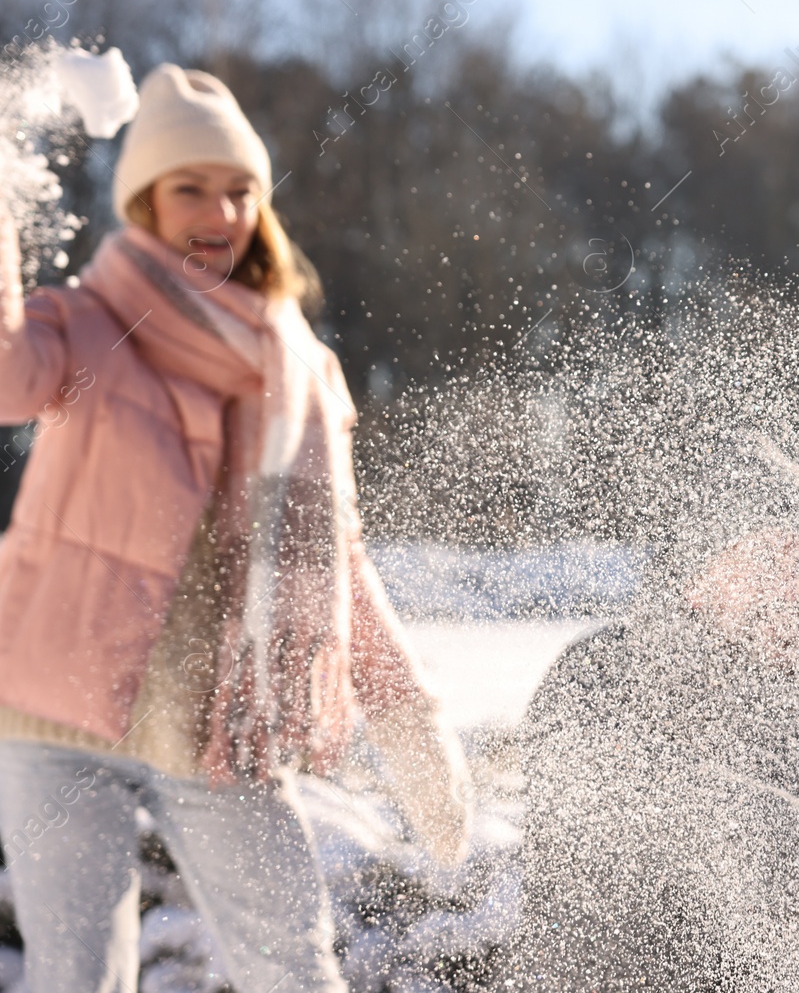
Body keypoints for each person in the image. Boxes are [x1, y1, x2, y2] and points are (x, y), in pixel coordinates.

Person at [0, 63, 470, 992]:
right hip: (53, 709)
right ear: (142, 200)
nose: (221, 210)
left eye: (241, 190)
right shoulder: (90, 326)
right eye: (190, 188)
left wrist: (408, 715)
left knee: (292, 967)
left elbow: (343, 560)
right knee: (77, 976)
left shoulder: (298, 364)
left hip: (220, 721)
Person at [514, 439, 799, 991]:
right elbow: (583, 903)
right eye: (765, 561)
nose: (796, 589)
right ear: (695, 582)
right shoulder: (605, 683)